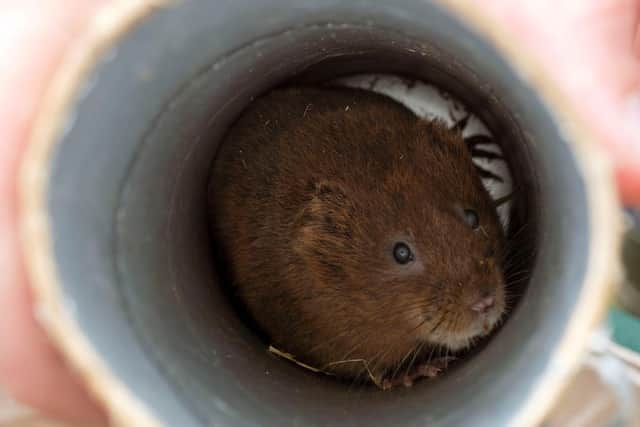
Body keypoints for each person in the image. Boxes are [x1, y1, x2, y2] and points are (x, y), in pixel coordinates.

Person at [0, 1, 637, 425]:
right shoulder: (311, 302)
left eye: (472, 220)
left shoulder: (426, 151)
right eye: (401, 257)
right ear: (322, 250)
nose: (477, 293)